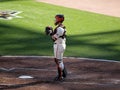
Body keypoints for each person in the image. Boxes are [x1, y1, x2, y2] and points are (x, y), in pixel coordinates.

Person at [51, 14, 67, 81]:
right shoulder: (59, 27)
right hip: (58, 45)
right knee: (57, 60)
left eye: (56, 18)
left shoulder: (60, 28)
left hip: (59, 45)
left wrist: (50, 32)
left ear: (60, 19)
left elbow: (54, 38)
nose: (55, 20)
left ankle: (60, 76)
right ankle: (64, 73)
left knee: (59, 61)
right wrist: (51, 32)